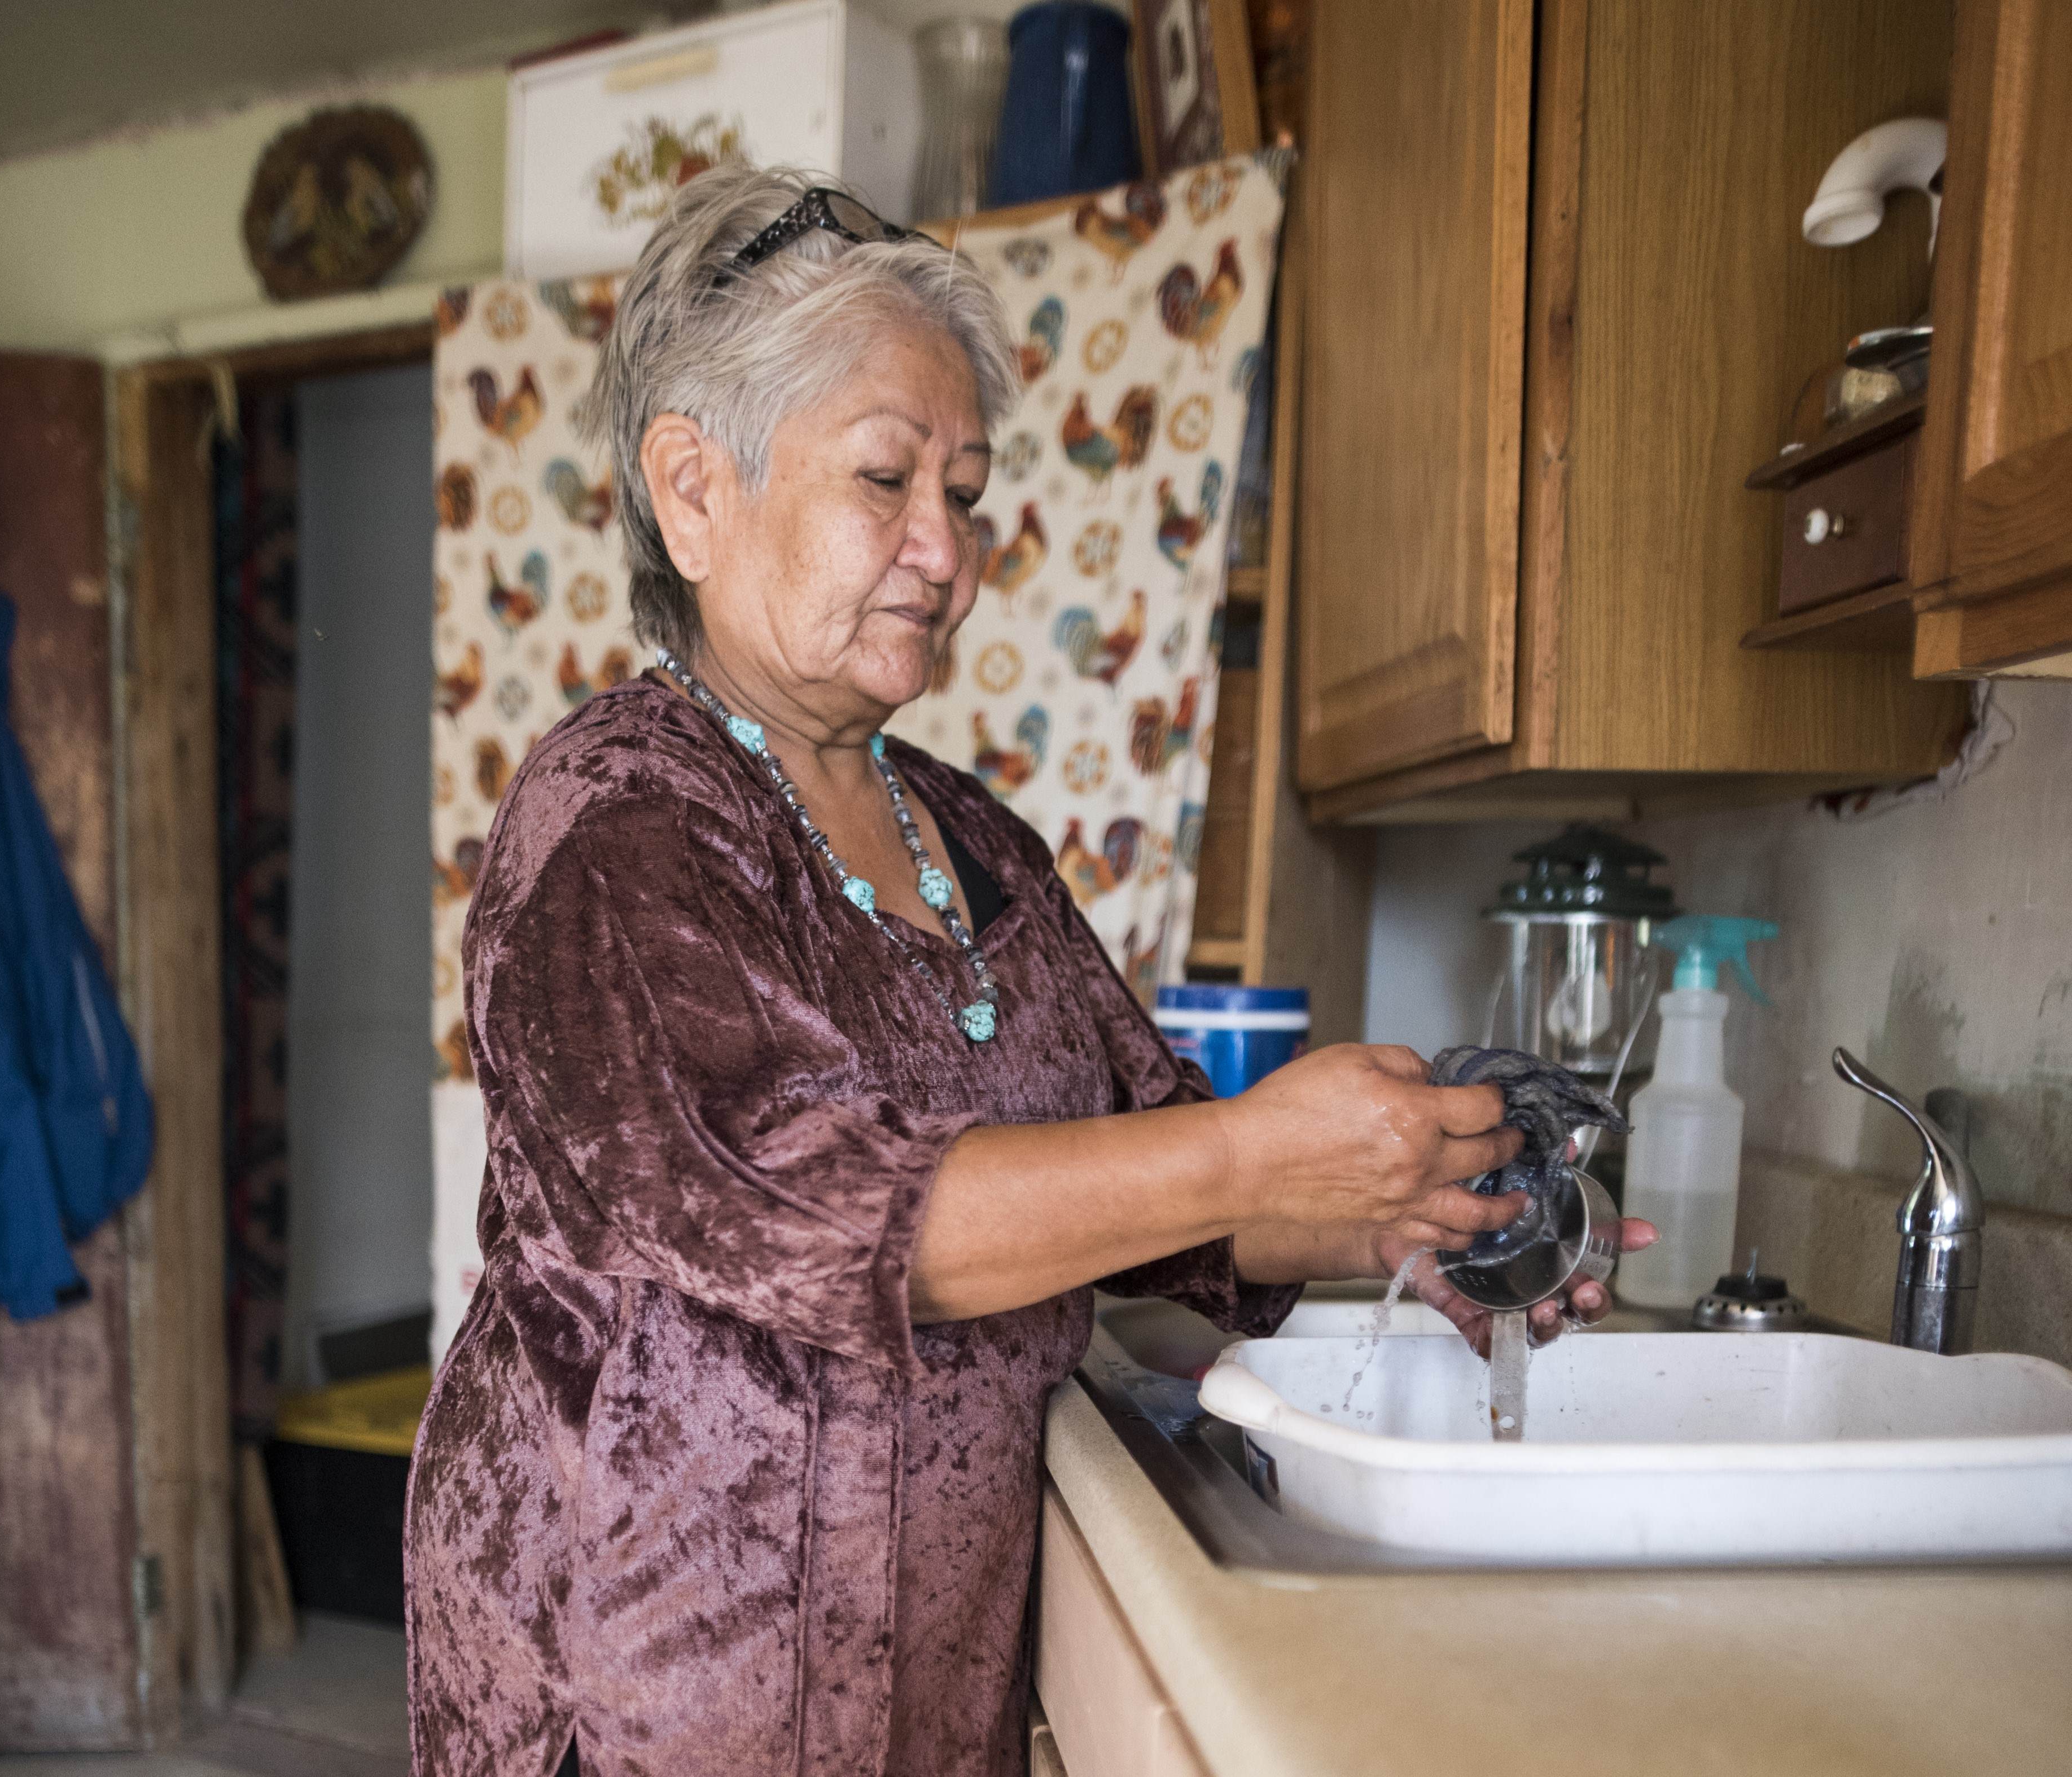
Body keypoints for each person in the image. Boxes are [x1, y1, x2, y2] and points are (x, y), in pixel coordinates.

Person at [404, 167, 1652, 1777]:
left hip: (926, 1693)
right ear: (694, 492)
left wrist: (1424, 1198)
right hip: (642, 1701)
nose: (946, 548)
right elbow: (836, 1215)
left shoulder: (970, 840)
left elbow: (1166, 1183)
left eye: (969, 492)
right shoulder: (616, 828)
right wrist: (1261, 1143)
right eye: (887, 480)